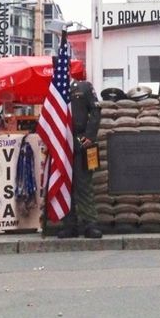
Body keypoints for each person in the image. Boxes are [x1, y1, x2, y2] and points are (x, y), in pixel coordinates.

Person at [59, 59, 103, 239]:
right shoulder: (55, 90)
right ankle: (70, 225)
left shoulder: (83, 87)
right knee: (65, 186)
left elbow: (96, 110)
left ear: (68, 69)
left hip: (81, 141)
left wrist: (90, 136)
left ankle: (90, 224)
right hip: (62, 144)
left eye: (61, 67)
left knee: (84, 185)